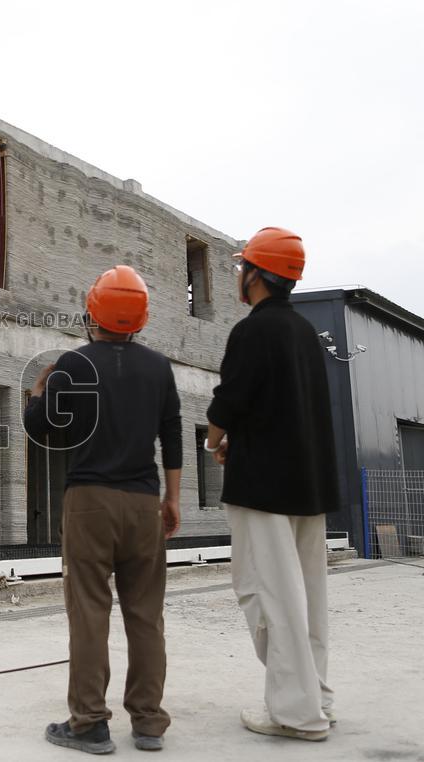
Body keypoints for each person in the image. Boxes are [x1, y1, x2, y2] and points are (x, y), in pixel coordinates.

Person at [24, 265, 182, 755]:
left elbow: (41, 427)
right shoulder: (159, 368)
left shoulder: (73, 364)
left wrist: (38, 393)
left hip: (89, 502)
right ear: (141, 318)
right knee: (145, 614)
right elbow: (173, 436)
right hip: (143, 503)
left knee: (90, 611)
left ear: (92, 311)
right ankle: (149, 722)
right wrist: (172, 499)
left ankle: (89, 723)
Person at [205, 226, 340, 742]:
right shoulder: (305, 332)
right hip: (310, 483)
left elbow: (229, 402)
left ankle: (295, 714)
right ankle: (317, 699)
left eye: (243, 268)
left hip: (263, 486)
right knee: (307, 597)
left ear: (256, 276)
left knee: (268, 593)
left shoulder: (253, 331)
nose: (240, 275)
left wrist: (215, 442)